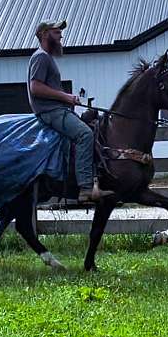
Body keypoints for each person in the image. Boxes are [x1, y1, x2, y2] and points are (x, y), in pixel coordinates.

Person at [27, 19, 114, 202]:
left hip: (57, 110)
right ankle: (85, 188)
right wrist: (65, 97)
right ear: (44, 34)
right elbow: (35, 87)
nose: (61, 35)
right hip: (51, 112)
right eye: (56, 32)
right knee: (85, 135)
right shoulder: (41, 57)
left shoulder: (46, 57)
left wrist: (68, 99)